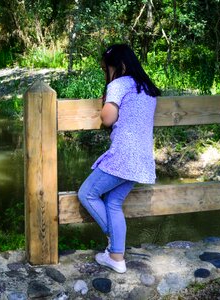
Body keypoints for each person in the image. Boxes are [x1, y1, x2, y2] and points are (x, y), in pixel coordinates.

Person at [77, 44, 160, 273]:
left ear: (120, 65)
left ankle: (115, 245)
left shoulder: (119, 84)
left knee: (87, 193)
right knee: (113, 203)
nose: (106, 73)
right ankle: (116, 257)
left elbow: (108, 118)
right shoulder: (147, 89)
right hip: (142, 158)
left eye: (106, 68)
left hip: (124, 154)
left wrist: (105, 102)